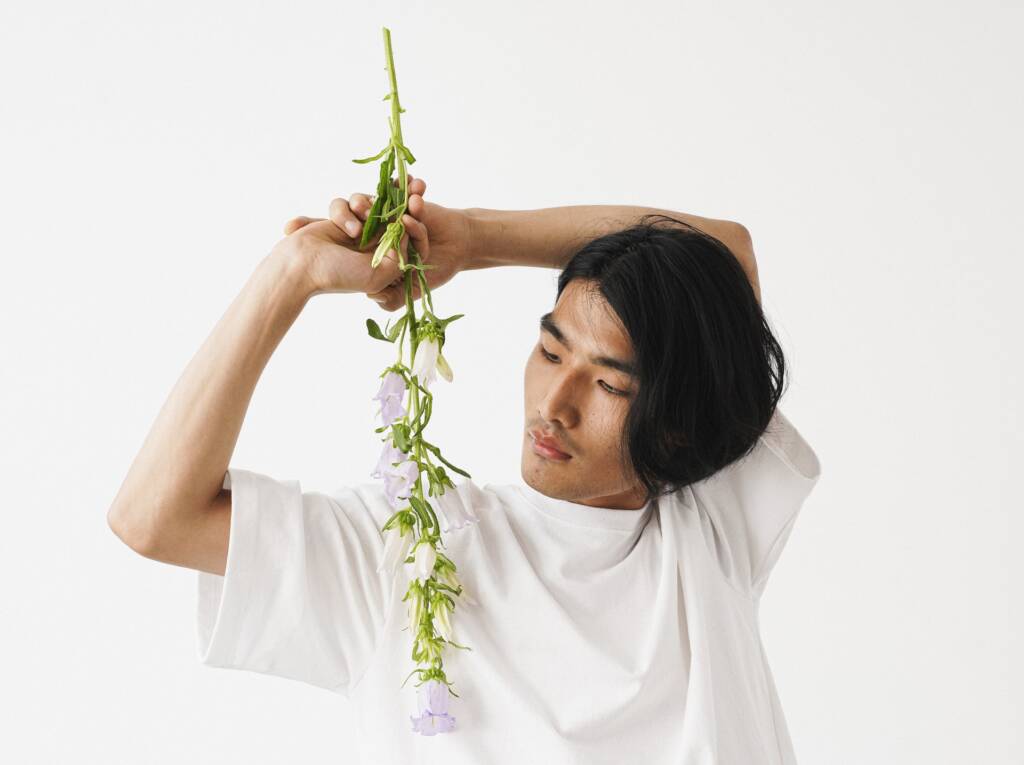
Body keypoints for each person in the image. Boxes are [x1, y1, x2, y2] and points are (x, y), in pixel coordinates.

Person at [107, 176, 822, 764]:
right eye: (550, 352)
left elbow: (724, 252)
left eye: (609, 384)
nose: (553, 404)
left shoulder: (710, 527)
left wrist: (473, 239)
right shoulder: (413, 550)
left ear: (680, 420)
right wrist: (289, 274)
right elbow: (153, 518)